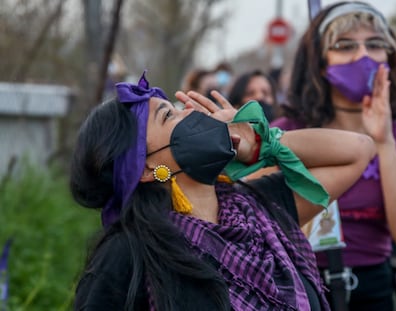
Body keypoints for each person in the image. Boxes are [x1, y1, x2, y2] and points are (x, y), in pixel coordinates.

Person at [70, 70, 376, 310]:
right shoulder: (128, 253)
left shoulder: (260, 204)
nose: (190, 111)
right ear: (146, 168)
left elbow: (358, 150)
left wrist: (261, 144)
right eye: (169, 115)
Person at [271, 2, 396, 310]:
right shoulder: (287, 133)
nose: (363, 56)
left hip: (374, 289)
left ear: (389, 57)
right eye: (345, 46)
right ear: (321, 63)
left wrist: (384, 140)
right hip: (299, 287)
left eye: (375, 44)